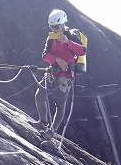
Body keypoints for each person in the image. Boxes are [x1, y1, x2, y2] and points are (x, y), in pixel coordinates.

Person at [34, 9, 86, 137]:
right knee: (39, 95)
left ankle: (52, 131)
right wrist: (57, 59)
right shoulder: (51, 38)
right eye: (51, 27)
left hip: (66, 76)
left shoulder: (71, 36)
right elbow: (45, 55)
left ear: (63, 25)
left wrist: (68, 42)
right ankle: (42, 122)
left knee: (60, 105)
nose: (54, 29)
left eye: (56, 27)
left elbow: (82, 51)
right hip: (53, 72)